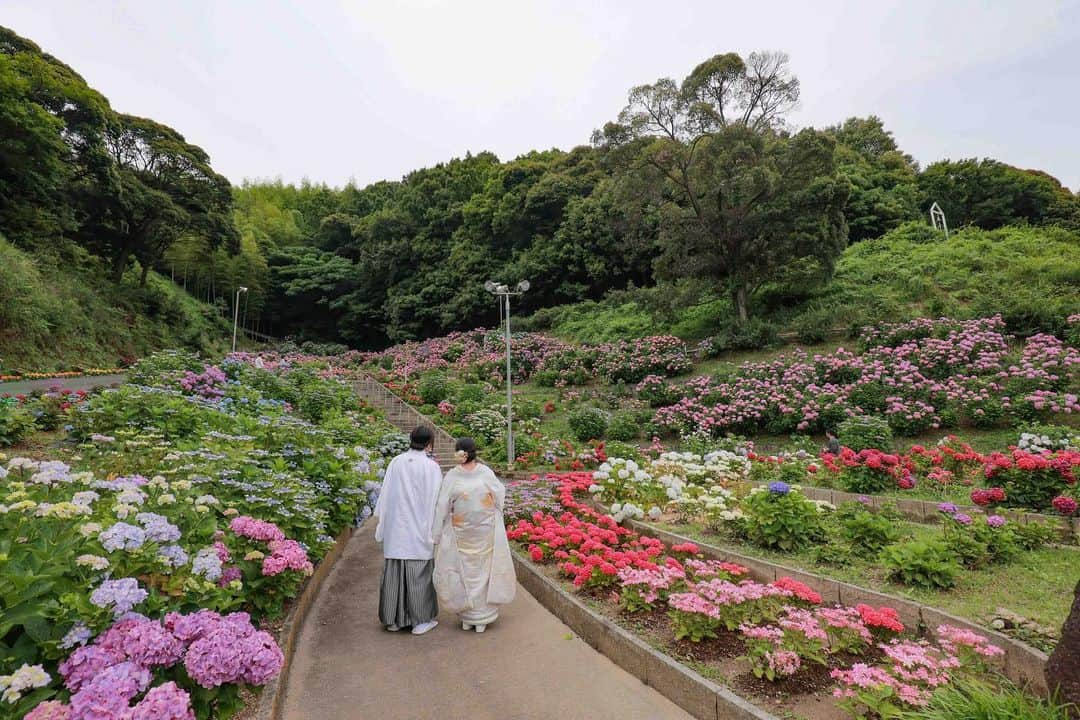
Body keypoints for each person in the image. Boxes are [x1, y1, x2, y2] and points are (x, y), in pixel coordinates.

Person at [432, 437, 516, 632]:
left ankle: (469, 617)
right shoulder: (485, 472)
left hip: (464, 529)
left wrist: (437, 532)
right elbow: (499, 494)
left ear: (460, 453)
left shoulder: (453, 476)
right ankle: (481, 616)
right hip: (483, 528)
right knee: (483, 568)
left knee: (466, 570)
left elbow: (442, 505)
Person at [373, 425, 443, 635]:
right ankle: (420, 620)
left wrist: (383, 519)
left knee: (395, 569)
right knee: (419, 572)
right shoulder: (430, 467)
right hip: (419, 524)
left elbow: (385, 493)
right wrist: (436, 526)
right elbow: (437, 499)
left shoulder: (397, 461)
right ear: (429, 442)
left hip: (397, 524)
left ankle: (394, 620)